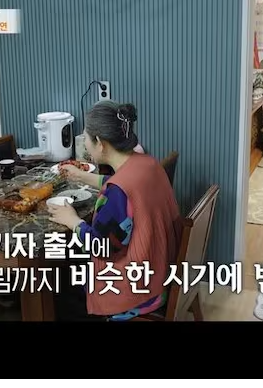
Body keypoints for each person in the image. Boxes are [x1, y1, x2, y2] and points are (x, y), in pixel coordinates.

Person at [47, 101, 181, 321]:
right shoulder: (148, 164)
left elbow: (102, 247)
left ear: (100, 143)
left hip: (135, 291)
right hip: (159, 271)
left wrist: (72, 221)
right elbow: (127, 184)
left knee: (55, 283)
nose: (85, 144)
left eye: (86, 138)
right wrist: (83, 176)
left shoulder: (117, 193)